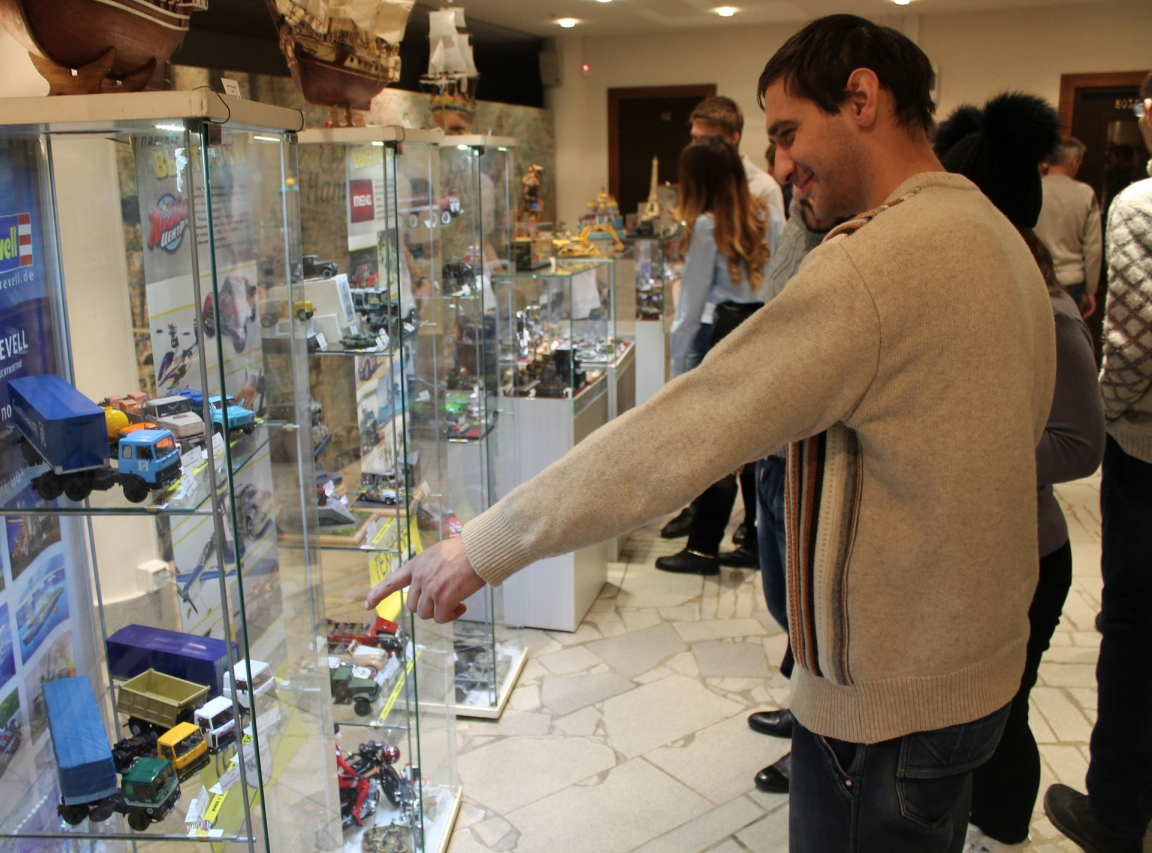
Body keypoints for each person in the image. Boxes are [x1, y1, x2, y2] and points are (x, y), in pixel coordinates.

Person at [369, 15, 1055, 851]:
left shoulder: (878, 262)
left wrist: (483, 546)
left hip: (887, 711)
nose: (781, 165)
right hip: (976, 681)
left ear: (862, 98)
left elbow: (684, 433)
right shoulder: (998, 235)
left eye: (790, 133)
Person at [927, 93, 1106, 853]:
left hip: (1027, 554)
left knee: (1003, 713)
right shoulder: (965, 293)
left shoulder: (1050, 311)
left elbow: (1080, 444)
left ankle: (1001, 833)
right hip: (968, 552)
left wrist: (966, 452)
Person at [1045, 72, 1152, 853]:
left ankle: (1116, 808)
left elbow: (1133, 347)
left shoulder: (1139, 205)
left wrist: (1101, 414)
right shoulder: (1092, 198)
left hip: (1148, 449)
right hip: (1070, 290)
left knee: (1136, 626)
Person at [745, 187, 843, 796]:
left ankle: (814, 741)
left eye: (790, 142)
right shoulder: (800, 219)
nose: (785, 168)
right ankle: (802, 710)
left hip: (813, 458)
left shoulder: (854, 236)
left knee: (813, 614)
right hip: (777, 452)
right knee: (786, 603)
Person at [660, 95, 787, 545]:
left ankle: (704, 542)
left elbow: (689, 311)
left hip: (721, 333)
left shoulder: (709, 226)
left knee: (708, 442)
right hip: (761, 330)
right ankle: (751, 532)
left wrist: (677, 371)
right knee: (751, 438)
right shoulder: (766, 213)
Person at [1034, 136, 1102, 318]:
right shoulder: (1085, 194)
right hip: (1071, 280)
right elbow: (1093, 248)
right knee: (1067, 333)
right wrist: (1091, 290)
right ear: (1074, 161)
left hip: (1034, 276)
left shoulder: (1033, 189)